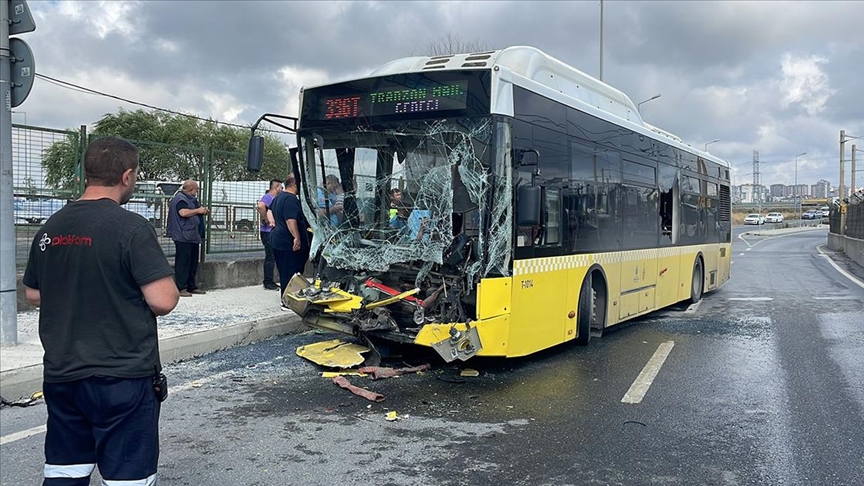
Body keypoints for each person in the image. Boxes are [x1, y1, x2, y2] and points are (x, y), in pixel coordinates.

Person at [23, 136, 180, 486]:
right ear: (126, 176)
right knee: (127, 476)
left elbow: (34, 293)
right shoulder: (131, 228)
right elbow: (164, 299)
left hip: (63, 373)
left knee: (66, 470)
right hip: (122, 375)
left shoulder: (51, 227)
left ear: (87, 173)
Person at [269, 173, 310, 308]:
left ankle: (286, 298)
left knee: (284, 271)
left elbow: (270, 212)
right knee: (292, 272)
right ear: (295, 184)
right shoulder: (291, 199)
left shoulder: (278, 197)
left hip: (277, 239)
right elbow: (290, 220)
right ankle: (288, 301)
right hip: (288, 242)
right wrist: (297, 237)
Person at [166, 180, 209, 297]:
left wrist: (203, 211)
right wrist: (198, 211)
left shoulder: (191, 199)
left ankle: (191, 286)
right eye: (196, 189)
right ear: (191, 189)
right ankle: (181, 287)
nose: (197, 192)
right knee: (183, 262)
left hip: (192, 235)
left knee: (192, 262)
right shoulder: (181, 199)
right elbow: (183, 213)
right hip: (183, 235)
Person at [257, 180, 283, 290]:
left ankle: (270, 280)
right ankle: (268, 282)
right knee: (270, 257)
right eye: (281, 187)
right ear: (276, 187)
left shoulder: (274, 199)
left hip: (271, 232)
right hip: (267, 232)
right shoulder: (268, 197)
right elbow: (260, 206)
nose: (282, 189)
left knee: (272, 256)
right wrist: (266, 219)